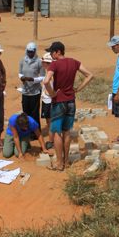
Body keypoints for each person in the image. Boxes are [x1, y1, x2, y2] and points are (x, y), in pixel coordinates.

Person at [43, 41, 95, 171]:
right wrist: (78, 88)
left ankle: (59, 164)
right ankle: (66, 162)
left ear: (58, 52)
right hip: (71, 101)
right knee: (67, 131)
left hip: (59, 102)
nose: (51, 55)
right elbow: (90, 75)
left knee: (56, 132)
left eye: (52, 52)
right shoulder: (74, 62)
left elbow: (45, 81)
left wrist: (53, 94)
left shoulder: (54, 65)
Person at [19, 42, 46, 128]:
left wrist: (33, 79)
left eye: (32, 52)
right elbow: (20, 73)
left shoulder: (39, 62)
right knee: (26, 112)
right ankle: (26, 131)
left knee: (34, 113)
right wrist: (22, 78)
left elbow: (42, 77)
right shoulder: (22, 61)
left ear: (35, 51)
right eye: (29, 51)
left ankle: (35, 133)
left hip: (35, 92)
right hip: (25, 91)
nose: (30, 53)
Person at [39, 52, 54, 143]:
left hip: (49, 100)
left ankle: (51, 141)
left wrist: (51, 95)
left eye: (43, 62)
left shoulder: (51, 73)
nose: (41, 63)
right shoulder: (48, 71)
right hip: (47, 99)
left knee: (50, 123)